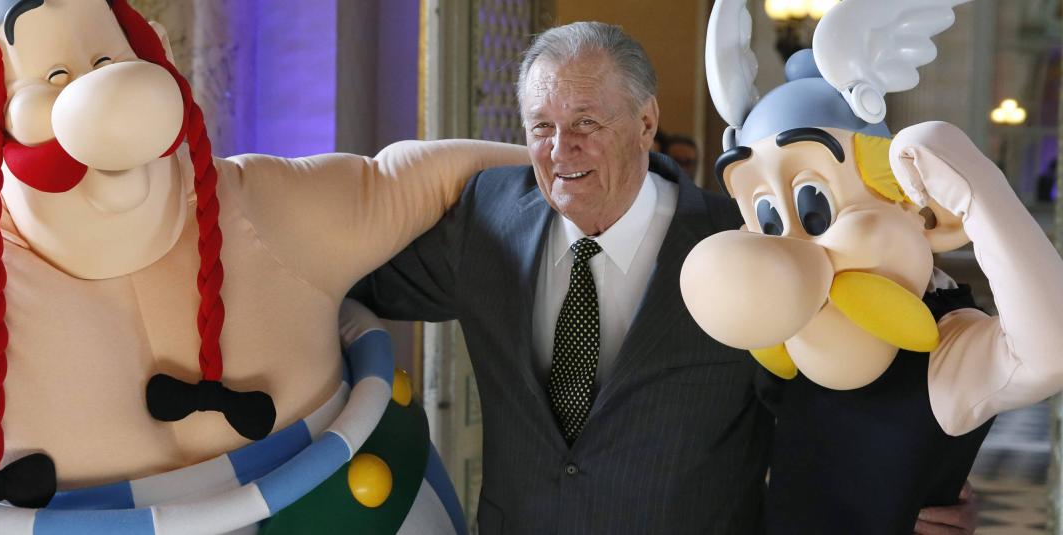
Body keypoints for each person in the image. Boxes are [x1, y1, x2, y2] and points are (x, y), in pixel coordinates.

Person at [0, 0, 526, 532]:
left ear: (156, 54)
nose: (101, 91)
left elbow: (410, 182)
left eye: (108, 60)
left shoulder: (267, 206)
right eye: (56, 77)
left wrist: (567, 165)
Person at [352, 22, 979, 534]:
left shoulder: (750, 243)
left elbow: (837, 406)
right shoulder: (487, 220)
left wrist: (906, 497)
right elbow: (348, 283)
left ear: (646, 122)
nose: (560, 149)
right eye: (541, 126)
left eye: (586, 123)